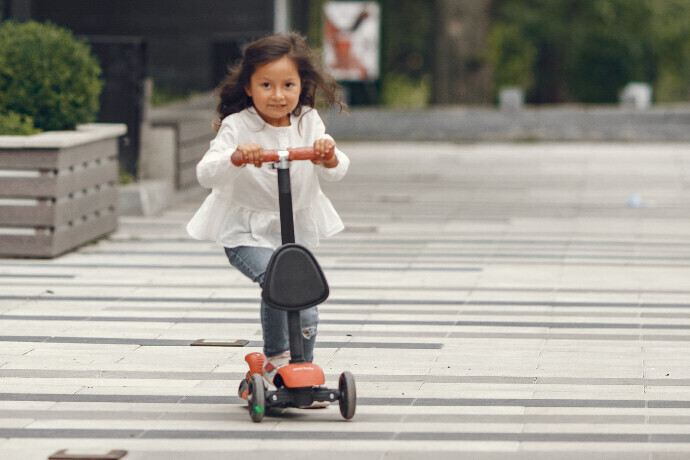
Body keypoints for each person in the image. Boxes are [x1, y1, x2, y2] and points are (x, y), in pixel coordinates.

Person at [186, 32, 349, 390]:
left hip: (294, 229)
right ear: (248, 86)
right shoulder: (238, 126)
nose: (278, 95)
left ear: (301, 84)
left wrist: (328, 153)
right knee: (278, 281)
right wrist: (237, 156)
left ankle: (302, 367)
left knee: (303, 291)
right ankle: (276, 358)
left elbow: (336, 170)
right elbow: (205, 172)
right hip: (245, 231)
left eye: (287, 84)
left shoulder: (307, 121)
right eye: (266, 85)